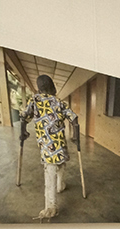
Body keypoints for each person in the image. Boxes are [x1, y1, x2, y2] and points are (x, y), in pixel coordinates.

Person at [20, 75, 79, 219]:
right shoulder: (59, 102)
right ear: (53, 87)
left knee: (50, 172)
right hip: (60, 144)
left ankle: (51, 206)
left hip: (46, 147)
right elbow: (74, 119)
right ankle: (60, 186)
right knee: (61, 164)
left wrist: (23, 132)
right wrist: (76, 136)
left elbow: (24, 118)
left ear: (39, 88)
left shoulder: (34, 100)